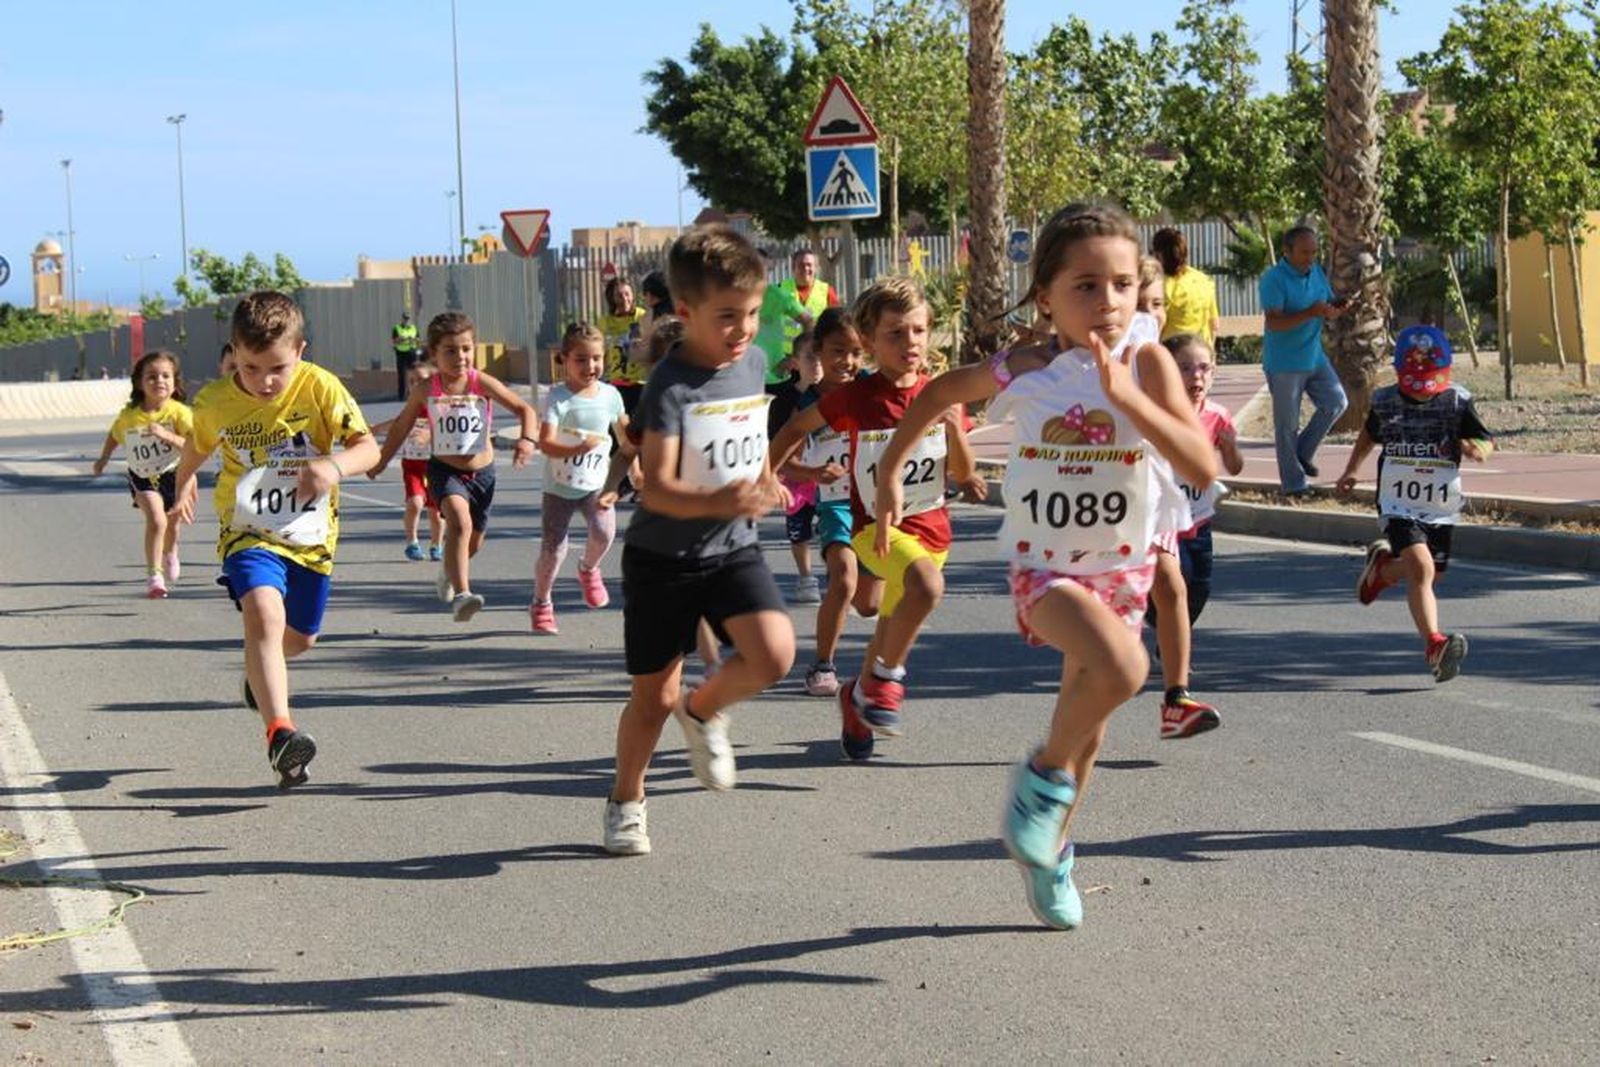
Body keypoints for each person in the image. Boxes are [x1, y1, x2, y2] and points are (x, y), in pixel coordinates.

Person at [871, 203, 1214, 929]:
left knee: (1087, 727)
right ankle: (1039, 781)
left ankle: (1051, 849)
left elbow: (1200, 461)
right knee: (1125, 668)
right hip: (1045, 565)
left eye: (1122, 284)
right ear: (1047, 295)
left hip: (1122, 567)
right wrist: (893, 467)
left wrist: (1131, 402)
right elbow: (936, 394)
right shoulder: (1025, 366)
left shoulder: (1148, 360)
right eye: (1086, 285)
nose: (1109, 302)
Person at [603, 224, 795, 857]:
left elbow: (750, 434)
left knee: (773, 655)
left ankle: (706, 709)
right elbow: (654, 487)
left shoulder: (755, 364)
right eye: (727, 317)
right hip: (664, 559)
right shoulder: (671, 386)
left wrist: (766, 479)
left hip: (732, 546)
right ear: (685, 313)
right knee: (652, 697)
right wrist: (718, 498)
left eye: (750, 313)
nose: (743, 329)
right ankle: (627, 800)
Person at [169, 291, 379, 788]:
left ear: (300, 351)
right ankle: (280, 733)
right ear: (234, 354)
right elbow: (197, 447)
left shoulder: (320, 388)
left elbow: (366, 448)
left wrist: (332, 466)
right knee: (264, 612)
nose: (264, 382)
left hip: (311, 539)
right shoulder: (216, 401)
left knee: (300, 639)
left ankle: (260, 678)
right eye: (249, 368)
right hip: (248, 532)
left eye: (277, 368)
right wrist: (181, 485)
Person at [770, 277, 985, 760]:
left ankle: (856, 698)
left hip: (933, 531)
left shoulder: (943, 393)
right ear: (869, 342)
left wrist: (955, 429)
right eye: (895, 334)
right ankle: (887, 682)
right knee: (925, 589)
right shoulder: (855, 398)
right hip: (875, 531)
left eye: (918, 331)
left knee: (887, 624)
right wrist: (766, 472)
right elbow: (795, 427)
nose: (910, 343)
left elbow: (961, 471)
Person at [1337, 325, 1492, 683]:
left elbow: (1484, 439)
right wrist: (1350, 470)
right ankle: (1434, 644)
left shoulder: (1457, 401)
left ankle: (1383, 570)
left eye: (1429, 378)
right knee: (1421, 568)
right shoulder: (1386, 400)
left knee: (1431, 573)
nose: (1422, 388)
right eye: (1414, 378)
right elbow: (1368, 436)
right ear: (1400, 373)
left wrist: (1477, 450)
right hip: (1396, 501)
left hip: (1439, 503)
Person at [370, 312, 537, 623]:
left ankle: (449, 573)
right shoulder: (426, 389)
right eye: (450, 350)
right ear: (434, 353)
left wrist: (527, 439)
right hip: (445, 472)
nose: (460, 356)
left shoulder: (480, 382)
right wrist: (381, 461)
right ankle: (463, 595)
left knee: (474, 541)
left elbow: (523, 408)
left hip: (483, 474)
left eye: (466, 348)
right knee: (459, 524)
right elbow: (402, 426)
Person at [1147, 333, 1246, 738]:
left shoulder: (1218, 416)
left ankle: (1168, 635)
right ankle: (1166, 639)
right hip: (1162, 524)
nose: (1196, 376)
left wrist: (1230, 447)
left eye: (1203, 367)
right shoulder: (1154, 413)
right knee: (1173, 591)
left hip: (1199, 521)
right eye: (1185, 367)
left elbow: (1235, 468)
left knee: (1199, 590)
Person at [774, 308, 876, 697]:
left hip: (876, 504)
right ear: (818, 352)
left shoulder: (872, 388)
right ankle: (823, 665)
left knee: (868, 605)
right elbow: (787, 463)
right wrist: (816, 475)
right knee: (843, 579)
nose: (846, 362)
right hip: (836, 504)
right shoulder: (807, 405)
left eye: (855, 352)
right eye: (836, 351)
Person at [530, 322, 628, 635]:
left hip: (596, 483)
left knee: (604, 533)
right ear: (565, 360)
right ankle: (542, 602)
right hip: (559, 487)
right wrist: (578, 446)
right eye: (581, 359)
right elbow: (545, 443)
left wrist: (636, 470)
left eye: (596, 358)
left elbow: (626, 438)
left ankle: (589, 568)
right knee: (554, 549)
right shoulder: (558, 398)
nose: (591, 366)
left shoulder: (611, 395)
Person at [91, 350, 194, 598]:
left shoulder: (179, 412)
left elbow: (194, 446)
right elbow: (115, 436)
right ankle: (154, 575)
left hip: (174, 475)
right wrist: (103, 459)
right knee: (157, 520)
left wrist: (166, 435)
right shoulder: (130, 416)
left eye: (166, 376)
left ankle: (171, 552)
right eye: (152, 376)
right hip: (143, 477)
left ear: (175, 382)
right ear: (139, 383)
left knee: (172, 525)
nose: (159, 381)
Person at [1259, 226, 1350, 495]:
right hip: (1285, 362)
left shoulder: (1317, 272)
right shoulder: (1273, 279)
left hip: (1314, 355)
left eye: (1314, 251)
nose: (1310, 257)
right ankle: (1294, 485)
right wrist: (1311, 312)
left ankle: (1301, 453)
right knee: (1287, 426)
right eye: (1304, 252)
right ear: (1287, 252)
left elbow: (1327, 302)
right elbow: (1273, 321)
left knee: (1336, 403)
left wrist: (1337, 307)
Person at [766, 332, 825, 605]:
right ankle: (806, 577)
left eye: (821, 357)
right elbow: (775, 439)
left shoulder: (837, 394)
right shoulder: (782, 400)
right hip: (795, 475)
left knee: (836, 526)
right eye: (810, 358)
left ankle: (841, 570)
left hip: (831, 474)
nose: (817, 365)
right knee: (799, 528)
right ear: (794, 363)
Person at [375, 362, 444, 562]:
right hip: (412, 465)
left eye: (421, 380)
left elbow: (447, 430)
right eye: (412, 381)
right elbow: (397, 424)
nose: (416, 385)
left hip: (435, 466)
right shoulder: (410, 408)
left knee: (435, 512)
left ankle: (436, 544)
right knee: (415, 503)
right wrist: (377, 428)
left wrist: (430, 435)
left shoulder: (438, 408)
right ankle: (412, 542)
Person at [754, 250, 813, 391]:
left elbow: (809, 321)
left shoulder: (778, 296)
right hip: (744, 379)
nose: (758, 274)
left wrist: (796, 357)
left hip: (776, 378)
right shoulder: (734, 296)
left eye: (763, 269)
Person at [1151, 228, 1220, 344]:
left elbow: (1153, 327)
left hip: (1170, 355)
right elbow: (1214, 324)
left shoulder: (1157, 286)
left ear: (1159, 255)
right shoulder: (1203, 280)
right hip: (1201, 353)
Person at [600, 277, 649, 418]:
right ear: (612, 298)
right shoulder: (604, 322)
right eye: (619, 295)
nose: (624, 298)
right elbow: (601, 352)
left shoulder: (643, 317)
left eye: (627, 293)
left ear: (633, 295)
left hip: (641, 383)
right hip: (616, 384)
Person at [779, 248, 840, 360]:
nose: (806, 269)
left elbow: (837, 323)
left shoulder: (826, 291)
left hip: (816, 354)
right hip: (786, 357)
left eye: (809, 265)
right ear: (793, 268)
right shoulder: (780, 289)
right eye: (801, 265)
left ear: (816, 268)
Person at [391, 311, 420, 402]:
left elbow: (418, 340)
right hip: (401, 353)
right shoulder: (397, 328)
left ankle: (413, 394)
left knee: (413, 375)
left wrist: (413, 340)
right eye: (405, 319)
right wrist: (401, 339)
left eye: (408, 319)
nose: (406, 320)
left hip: (411, 353)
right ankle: (401, 395)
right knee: (402, 375)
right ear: (402, 319)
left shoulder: (414, 328)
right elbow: (394, 341)